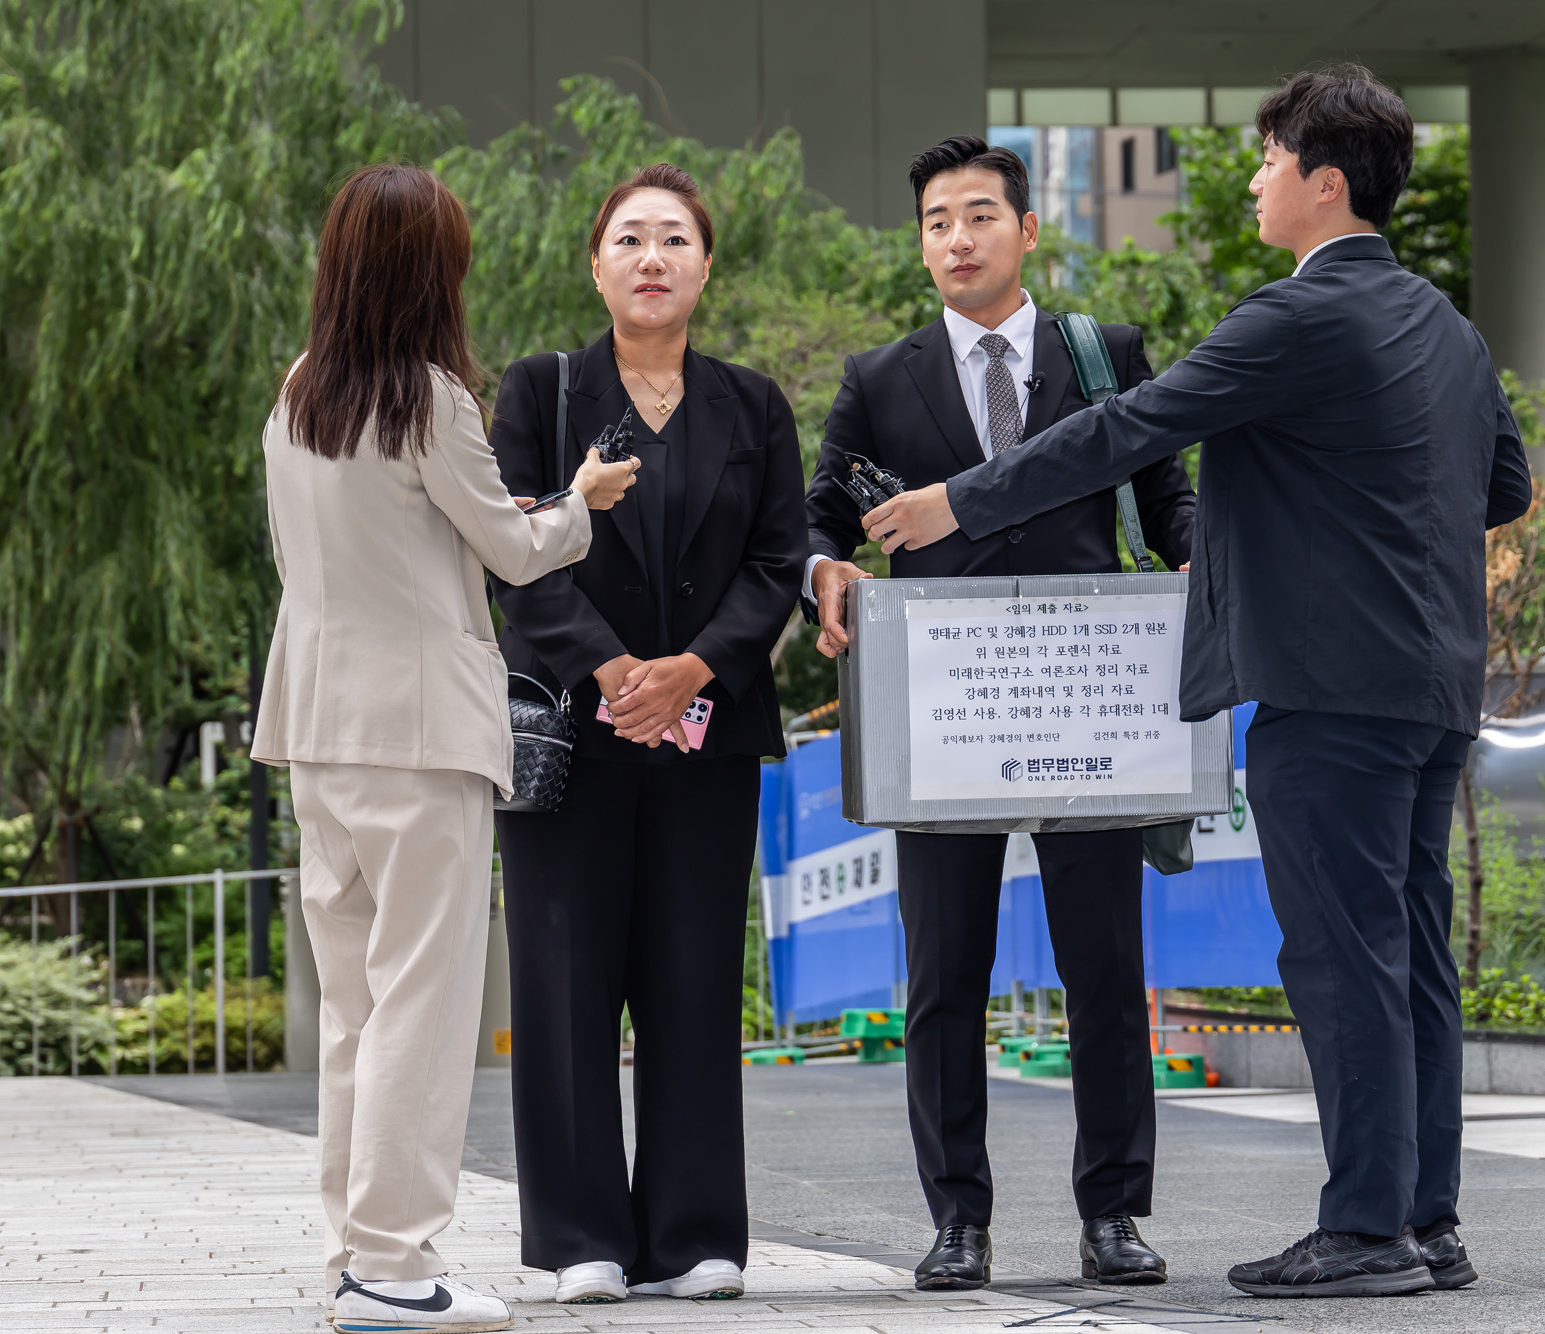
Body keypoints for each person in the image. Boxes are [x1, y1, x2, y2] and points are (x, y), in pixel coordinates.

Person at [861, 69, 1533, 1297]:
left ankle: (1365, 1224)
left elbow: (1129, 428)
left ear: (1321, 182)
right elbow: (1503, 490)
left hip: (1328, 688)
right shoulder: (1447, 325)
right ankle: (1425, 1220)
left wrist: (955, 496)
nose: (1251, 176)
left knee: (1340, 957)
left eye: (1266, 158)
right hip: (1435, 685)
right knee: (1410, 956)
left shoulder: (1295, 318)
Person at [802, 135, 1197, 1292]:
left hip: (1086, 699)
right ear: (919, 241)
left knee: (1103, 971)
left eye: (978, 214)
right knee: (943, 981)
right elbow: (823, 507)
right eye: (934, 220)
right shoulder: (880, 378)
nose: (955, 237)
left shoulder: (1103, 352)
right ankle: (957, 1218)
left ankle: (1114, 1215)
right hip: (946, 713)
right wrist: (824, 569)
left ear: (1026, 231)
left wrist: (1195, 573)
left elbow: (1165, 499)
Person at [252, 163, 638, 1334]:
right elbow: (515, 555)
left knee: (357, 1010)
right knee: (423, 1001)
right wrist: (581, 499)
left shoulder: (300, 390)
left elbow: (320, 554)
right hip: (419, 732)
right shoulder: (432, 399)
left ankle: (350, 1252)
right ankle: (396, 1264)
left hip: (319, 726)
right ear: (433, 271)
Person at [488, 163, 807, 1306]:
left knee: (690, 975)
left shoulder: (752, 405)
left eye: (674, 238)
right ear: (596, 264)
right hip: (572, 735)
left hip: (707, 732)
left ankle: (693, 1233)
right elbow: (513, 548)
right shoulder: (541, 392)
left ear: (704, 265)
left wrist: (692, 669)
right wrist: (619, 670)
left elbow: (778, 559)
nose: (652, 257)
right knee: (565, 977)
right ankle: (581, 1235)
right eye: (629, 238)